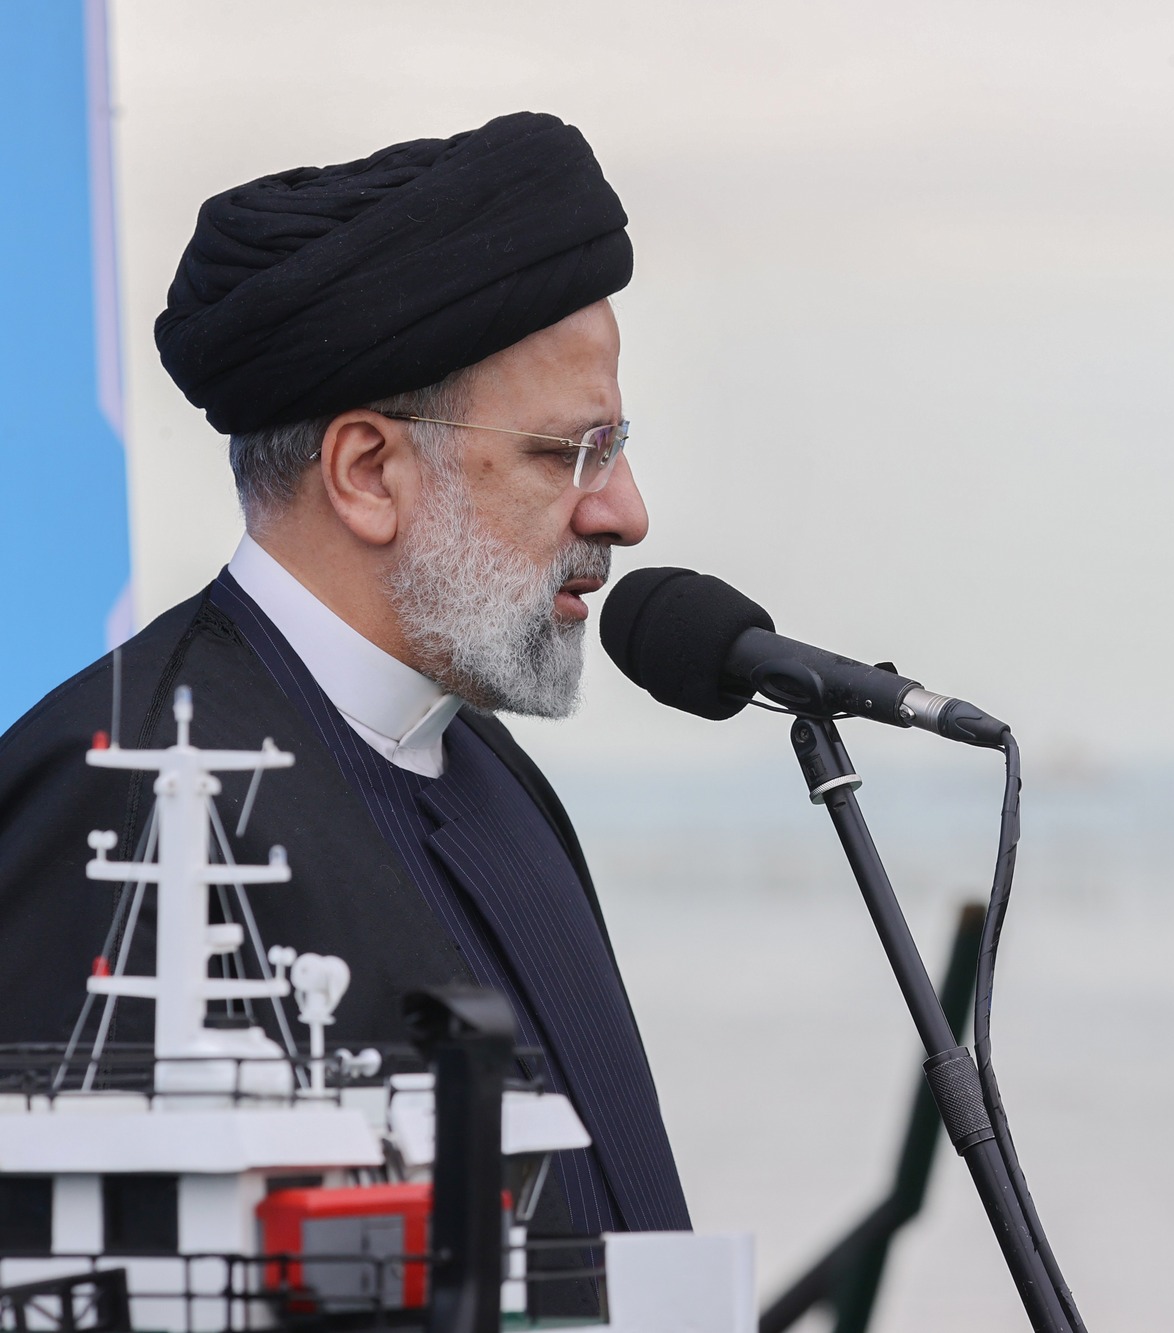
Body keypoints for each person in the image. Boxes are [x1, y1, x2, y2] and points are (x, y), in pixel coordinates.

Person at [0, 112, 689, 1262]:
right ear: (369, 472)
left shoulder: (492, 772)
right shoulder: (120, 789)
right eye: (568, 452)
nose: (625, 512)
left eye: (614, 449)